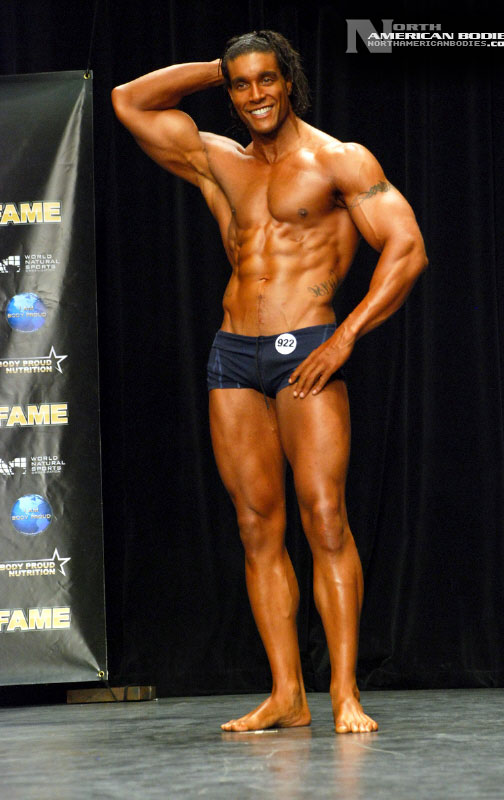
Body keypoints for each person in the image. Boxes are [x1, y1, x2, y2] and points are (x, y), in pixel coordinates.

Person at [112, 29, 427, 734]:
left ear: (289, 81)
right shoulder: (217, 161)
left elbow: (407, 248)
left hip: (306, 348)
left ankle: (344, 694)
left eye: (266, 79)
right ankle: (287, 694)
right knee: (257, 527)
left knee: (325, 518)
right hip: (233, 356)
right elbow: (128, 101)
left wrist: (345, 337)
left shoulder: (338, 159)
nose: (255, 94)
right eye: (240, 83)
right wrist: (215, 66)